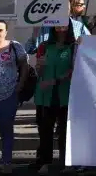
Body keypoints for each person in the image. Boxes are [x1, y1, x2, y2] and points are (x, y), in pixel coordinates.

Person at [32, 21, 77, 175]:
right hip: (46, 94)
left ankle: (66, 162)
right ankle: (45, 162)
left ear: (69, 27)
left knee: (65, 131)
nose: (61, 28)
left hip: (65, 94)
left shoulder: (74, 47)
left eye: (64, 25)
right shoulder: (45, 46)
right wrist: (39, 67)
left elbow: (74, 70)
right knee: (46, 130)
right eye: (58, 25)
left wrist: (56, 80)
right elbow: (38, 70)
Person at [0, 20, 26, 174]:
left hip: (8, 96)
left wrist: (20, 85)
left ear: (6, 32)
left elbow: (24, 66)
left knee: (6, 130)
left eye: (0, 30)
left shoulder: (14, 46)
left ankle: (6, 162)